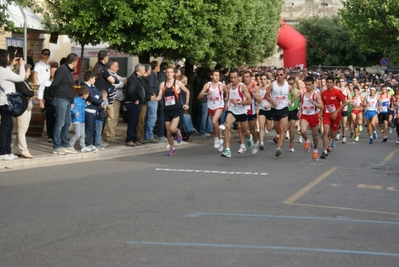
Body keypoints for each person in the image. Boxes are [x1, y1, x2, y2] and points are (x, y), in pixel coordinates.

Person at [154, 66, 190, 156]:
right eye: (167, 72)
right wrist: (154, 98)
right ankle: (172, 148)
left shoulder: (177, 83)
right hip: (167, 110)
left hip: (176, 109)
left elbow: (187, 92)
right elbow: (159, 96)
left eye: (170, 72)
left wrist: (187, 103)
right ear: (165, 73)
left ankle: (178, 131)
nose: (169, 74)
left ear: (173, 73)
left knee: (172, 129)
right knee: (168, 131)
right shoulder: (162, 84)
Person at [51, 53, 79, 155]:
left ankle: (65, 144)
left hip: (66, 100)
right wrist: (52, 96)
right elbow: (55, 83)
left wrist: (71, 100)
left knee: (67, 123)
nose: (77, 63)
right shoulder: (62, 69)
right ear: (74, 61)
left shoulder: (68, 71)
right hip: (60, 99)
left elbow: (69, 87)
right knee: (60, 123)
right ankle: (57, 146)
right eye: (76, 61)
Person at [0, 49, 26, 160]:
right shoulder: (3, 71)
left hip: (4, 102)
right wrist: (22, 66)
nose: (9, 59)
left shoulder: (3, 70)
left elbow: (6, 72)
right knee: (5, 127)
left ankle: (7, 151)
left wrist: (11, 65)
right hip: (5, 103)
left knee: (9, 127)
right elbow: (20, 78)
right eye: (8, 57)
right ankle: (2, 152)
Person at [220, 69, 252, 158]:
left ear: (239, 78)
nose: (233, 79)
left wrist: (238, 103)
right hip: (232, 111)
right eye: (231, 78)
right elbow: (228, 97)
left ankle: (250, 137)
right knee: (227, 126)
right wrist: (227, 104)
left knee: (244, 131)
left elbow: (249, 101)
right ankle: (227, 150)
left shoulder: (242, 87)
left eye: (235, 77)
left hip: (242, 111)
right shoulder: (229, 86)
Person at [264, 68, 295, 157]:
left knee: (282, 129)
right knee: (278, 130)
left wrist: (291, 102)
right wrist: (272, 102)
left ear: (284, 75)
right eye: (277, 75)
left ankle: (278, 148)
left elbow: (293, 95)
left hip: (284, 109)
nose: (279, 76)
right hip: (274, 109)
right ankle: (279, 140)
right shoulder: (273, 85)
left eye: (281, 74)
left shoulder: (288, 86)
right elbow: (266, 95)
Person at [320, 76, 350, 159]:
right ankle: (324, 151)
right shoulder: (323, 93)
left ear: (333, 83)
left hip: (336, 115)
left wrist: (336, 112)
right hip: (326, 114)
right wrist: (320, 113)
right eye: (327, 82)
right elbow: (323, 104)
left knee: (332, 134)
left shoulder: (337, 92)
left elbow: (345, 103)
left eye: (330, 82)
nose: (329, 84)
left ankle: (331, 142)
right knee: (325, 131)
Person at [197, 69, 227, 152]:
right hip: (210, 106)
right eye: (215, 75)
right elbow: (199, 96)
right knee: (215, 125)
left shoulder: (222, 85)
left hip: (219, 105)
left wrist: (226, 99)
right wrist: (206, 93)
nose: (217, 77)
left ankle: (216, 139)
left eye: (218, 75)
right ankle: (219, 139)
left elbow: (227, 92)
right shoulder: (207, 85)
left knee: (214, 121)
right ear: (211, 76)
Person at [298, 76, 324, 161]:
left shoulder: (316, 94)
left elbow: (322, 106)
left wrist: (313, 103)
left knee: (315, 136)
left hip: (314, 116)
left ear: (313, 84)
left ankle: (315, 150)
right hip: (305, 115)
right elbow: (301, 102)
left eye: (309, 84)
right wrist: (300, 110)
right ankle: (306, 140)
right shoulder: (303, 93)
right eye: (306, 85)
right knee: (302, 131)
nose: (308, 86)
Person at [12, 64, 34, 159]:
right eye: (28, 71)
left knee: (23, 129)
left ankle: (16, 148)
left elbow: (30, 91)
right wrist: (28, 94)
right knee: (21, 130)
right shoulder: (19, 81)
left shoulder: (24, 81)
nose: (29, 73)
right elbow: (30, 92)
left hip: (26, 107)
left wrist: (29, 93)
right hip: (21, 108)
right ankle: (24, 150)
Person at [105, 61, 126, 143]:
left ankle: (111, 135)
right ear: (111, 66)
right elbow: (119, 84)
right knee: (113, 118)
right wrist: (123, 82)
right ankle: (110, 136)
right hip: (113, 98)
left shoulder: (114, 74)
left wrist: (124, 80)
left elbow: (121, 79)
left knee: (114, 118)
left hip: (116, 98)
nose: (118, 68)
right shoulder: (109, 74)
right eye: (116, 66)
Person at [125, 63, 146, 147]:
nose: (144, 71)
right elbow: (131, 91)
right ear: (139, 70)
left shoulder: (137, 78)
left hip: (137, 103)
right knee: (132, 121)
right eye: (143, 69)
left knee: (136, 121)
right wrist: (135, 99)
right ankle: (130, 139)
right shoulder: (133, 78)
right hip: (132, 103)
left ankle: (134, 138)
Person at [84, 69, 103, 151]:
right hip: (89, 110)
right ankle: (88, 144)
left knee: (93, 128)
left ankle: (93, 143)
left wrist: (97, 98)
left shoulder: (93, 86)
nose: (95, 80)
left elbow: (100, 94)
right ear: (90, 78)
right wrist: (98, 100)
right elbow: (91, 98)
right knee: (89, 128)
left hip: (94, 109)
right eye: (94, 78)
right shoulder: (85, 87)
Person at [70, 87, 91, 152]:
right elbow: (71, 107)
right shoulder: (75, 100)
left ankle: (83, 147)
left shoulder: (83, 101)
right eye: (87, 94)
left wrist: (86, 104)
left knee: (82, 134)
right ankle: (70, 145)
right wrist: (75, 112)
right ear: (84, 94)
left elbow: (82, 107)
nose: (88, 96)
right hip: (77, 119)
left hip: (82, 119)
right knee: (77, 134)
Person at [144, 60, 161, 143]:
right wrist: (152, 94)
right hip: (152, 98)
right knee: (152, 117)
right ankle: (149, 135)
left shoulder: (154, 75)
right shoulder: (152, 75)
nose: (159, 67)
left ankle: (147, 134)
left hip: (153, 97)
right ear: (155, 67)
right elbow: (149, 86)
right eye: (158, 65)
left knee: (150, 117)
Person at [258, 73, 273, 150]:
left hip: (269, 110)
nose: (263, 81)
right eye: (261, 79)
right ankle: (261, 143)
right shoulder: (259, 88)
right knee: (261, 126)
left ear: (267, 80)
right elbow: (257, 99)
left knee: (269, 128)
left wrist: (269, 105)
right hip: (262, 109)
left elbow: (274, 98)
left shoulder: (269, 88)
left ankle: (272, 123)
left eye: (264, 79)